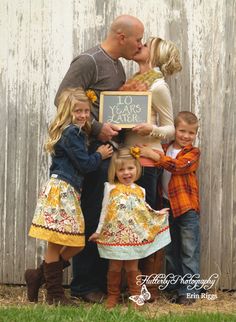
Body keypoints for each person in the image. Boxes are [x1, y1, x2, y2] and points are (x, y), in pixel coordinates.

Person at [54, 15, 144, 303]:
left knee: (106, 217)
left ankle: (97, 283)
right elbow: (62, 99)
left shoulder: (117, 67)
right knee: (92, 216)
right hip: (88, 156)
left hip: (107, 155)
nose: (139, 44)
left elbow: (112, 109)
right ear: (121, 36)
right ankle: (82, 286)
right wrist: (95, 128)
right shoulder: (88, 61)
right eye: (137, 39)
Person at [24, 88, 113, 305]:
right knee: (56, 243)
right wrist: (99, 155)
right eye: (78, 111)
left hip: (66, 190)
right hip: (63, 190)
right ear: (67, 111)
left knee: (77, 243)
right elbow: (84, 164)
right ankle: (54, 295)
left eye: (86, 111)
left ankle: (37, 275)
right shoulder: (71, 132)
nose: (83, 115)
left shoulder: (76, 132)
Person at [120, 37, 182, 301]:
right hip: (125, 162)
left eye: (147, 44)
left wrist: (151, 129)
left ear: (154, 55)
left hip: (147, 163)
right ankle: (130, 287)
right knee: (125, 223)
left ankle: (148, 290)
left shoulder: (158, 86)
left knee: (145, 224)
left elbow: (170, 128)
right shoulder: (132, 82)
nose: (141, 44)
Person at [89, 147, 170, 309]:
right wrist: (98, 231)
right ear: (115, 171)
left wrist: (157, 213)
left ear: (137, 169)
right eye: (121, 169)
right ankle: (113, 296)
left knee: (133, 266)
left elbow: (144, 210)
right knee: (115, 266)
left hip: (133, 236)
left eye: (130, 168)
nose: (126, 173)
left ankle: (135, 296)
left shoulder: (140, 190)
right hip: (115, 235)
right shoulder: (110, 188)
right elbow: (105, 210)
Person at [140, 111, 201, 305]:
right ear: (175, 130)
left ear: (195, 135)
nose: (185, 136)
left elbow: (179, 167)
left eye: (191, 133)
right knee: (171, 249)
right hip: (166, 205)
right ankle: (175, 286)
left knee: (188, 249)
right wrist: (148, 152)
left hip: (186, 208)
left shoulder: (192, 153)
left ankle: (190, 290)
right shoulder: (163, 148)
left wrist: (154, 156)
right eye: (182, 131)